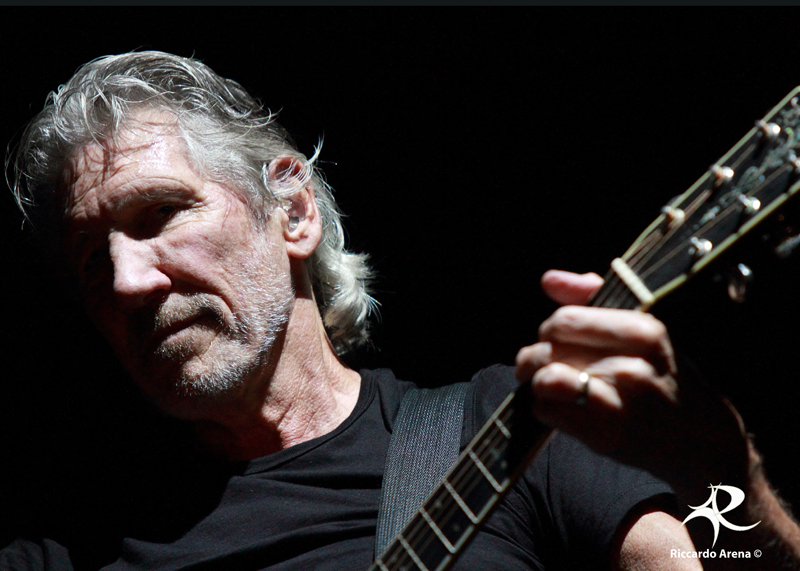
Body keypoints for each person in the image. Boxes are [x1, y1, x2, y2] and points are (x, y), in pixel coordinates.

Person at [1, 50, 798, 571]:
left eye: (160, 214)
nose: (128, 280)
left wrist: (729, 476)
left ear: (293, 213)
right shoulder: (65, 550)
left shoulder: (509, 429)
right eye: (91, 259)